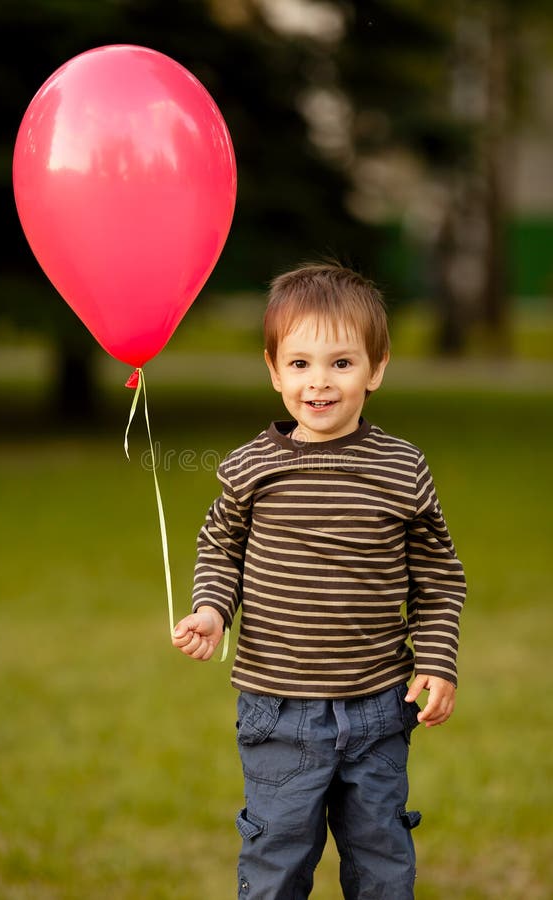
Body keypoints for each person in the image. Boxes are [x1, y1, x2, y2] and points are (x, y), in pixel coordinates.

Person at [172, 262, 466, 899]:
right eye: (300, 364)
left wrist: (438, 663)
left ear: (377, 368)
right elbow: (221, 549)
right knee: (276, 861)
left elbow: (439, 577)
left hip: (378, 704)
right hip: (278, 710)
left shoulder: (401, 469)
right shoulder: (251, 468)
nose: (318, 383)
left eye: (341, 363)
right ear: (274, 371)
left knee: (383, 862)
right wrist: (212, 611)